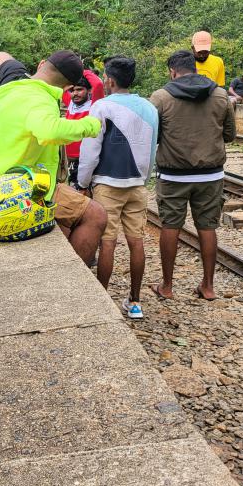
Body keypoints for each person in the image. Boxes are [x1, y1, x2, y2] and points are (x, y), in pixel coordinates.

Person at [0, 51, 107, 266]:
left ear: (41, 64)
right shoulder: (40, 99)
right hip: (11, 195)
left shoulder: (11, 90)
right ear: (66, 88)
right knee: (96, 215)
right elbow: (48, 131)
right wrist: (91, 124)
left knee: (65, 216)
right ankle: (73, 282)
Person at [149, 50, 236, 301]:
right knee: (207, 228)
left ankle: (167, 286)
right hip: (210, 176)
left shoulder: (161, 97)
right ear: (196, 69)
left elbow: (152, 136)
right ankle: (208, 287)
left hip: (173, 175)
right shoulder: (220, 96)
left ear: (172, 71)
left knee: (170, 226)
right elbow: (229, 135)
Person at [76, 56, 158, 320]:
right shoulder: (150, 108)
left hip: (107, 184)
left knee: (108, 243)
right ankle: (135, 302)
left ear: (109, 80)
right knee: (137, 242)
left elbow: (90, 149)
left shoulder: (101, 107)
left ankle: (103, 298)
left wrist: (83, 182)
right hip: (137, 185)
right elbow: (153, 147)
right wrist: (143, 179)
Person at [63, 77, 93, 186]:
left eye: (79, 89)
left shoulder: (94, 105)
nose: (75, 93)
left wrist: (80, 71)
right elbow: (62, 86)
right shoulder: (70, 103)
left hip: (84, 158)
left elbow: (98, 84)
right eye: (72, 90)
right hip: (68, 158)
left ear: (89, 90)